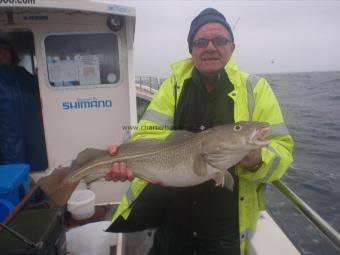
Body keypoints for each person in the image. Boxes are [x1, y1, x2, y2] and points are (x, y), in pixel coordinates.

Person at [105, 8, 294, 255]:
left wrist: (255, 158)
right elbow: (145, 136)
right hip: (173, 223)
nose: (210, 47)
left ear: (232, 47)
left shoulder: (256, 89)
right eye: (201, 41)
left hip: (226, 231)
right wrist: (127, 159)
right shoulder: (172, 86)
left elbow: (283, 153)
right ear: (192, 50)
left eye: (220, 40)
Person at [0, 38, 48, 171]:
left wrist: (41, 76)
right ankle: (20, 191)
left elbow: (40, 89)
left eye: (6, 51)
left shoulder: (22, 73)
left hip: (33, 127)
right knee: (14, 166)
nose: (3, 54)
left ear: (12, 54)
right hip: (9, 132)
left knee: (39, 162)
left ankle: (40, 189)